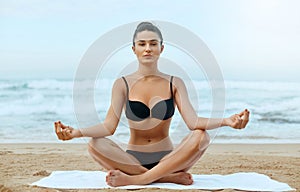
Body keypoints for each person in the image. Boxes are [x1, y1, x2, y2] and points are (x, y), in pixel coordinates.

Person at [54, 22, 250, 187]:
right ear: (134, 49)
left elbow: (193, 121)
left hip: (170, 159)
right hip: (130, 161)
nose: (148, 48)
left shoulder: (175, 82)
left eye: (153, 43)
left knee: (201, 136)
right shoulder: (122, 84)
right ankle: (164, 178)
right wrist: (76, 133)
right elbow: (109, 127)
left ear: (161, 48)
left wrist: (226, 121)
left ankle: (139, 179)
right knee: (94, 144)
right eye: (142, 44)